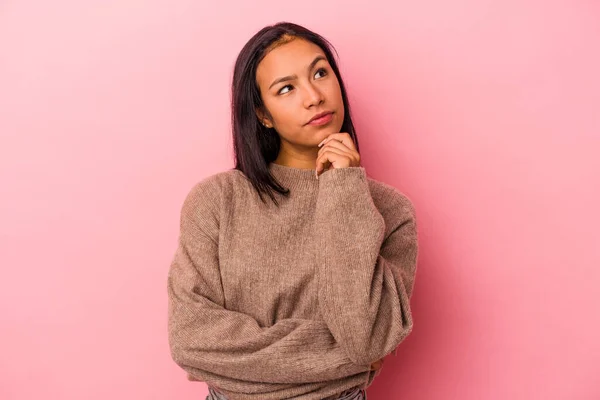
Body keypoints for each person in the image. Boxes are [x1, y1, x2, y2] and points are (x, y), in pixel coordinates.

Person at [167, 21, 419, 400]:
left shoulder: (390, 211)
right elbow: (190, 339)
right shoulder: (216, 201)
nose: (314, 96)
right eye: (286, 88)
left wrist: (343, 188)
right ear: (263, 114)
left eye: (320, 73)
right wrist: (342, 356)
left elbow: (364, 337)